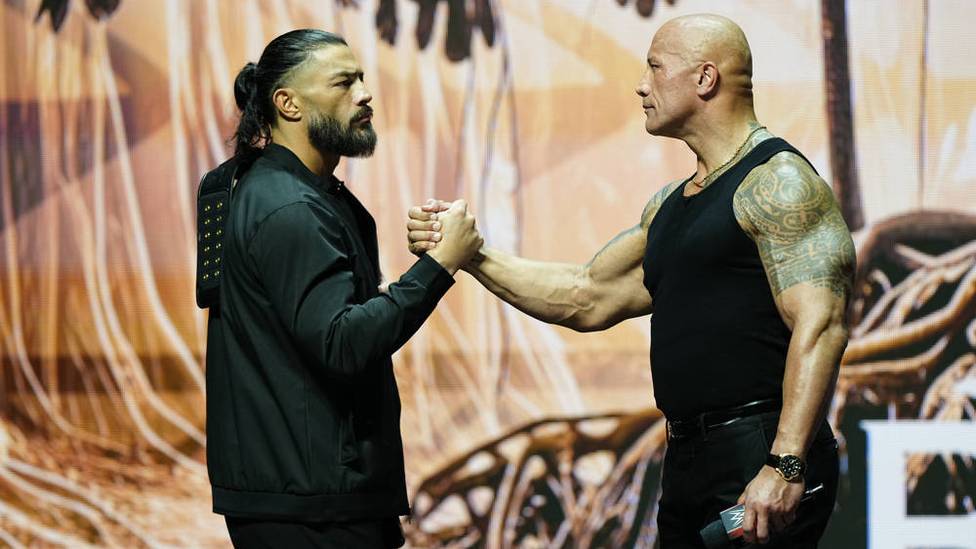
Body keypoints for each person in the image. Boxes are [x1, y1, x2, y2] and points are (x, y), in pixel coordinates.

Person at [407, 14, 854, 548]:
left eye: (655, 67)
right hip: (689, 459)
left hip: (760, 450)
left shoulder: (778, 184)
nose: (642, 85)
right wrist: (471, 254)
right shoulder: (670, 206)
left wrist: (785, 463)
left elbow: (822, 325)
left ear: (705, 78)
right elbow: (586, 296)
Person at [202, 29, 482, 548]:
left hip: (312, 495)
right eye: (343, 83)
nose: (364, 94)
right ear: (287, 103)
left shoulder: (295, 193)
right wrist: (439, 266)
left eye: (361, 79)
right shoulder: (291, 208)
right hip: (313, 509)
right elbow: (342, 342)